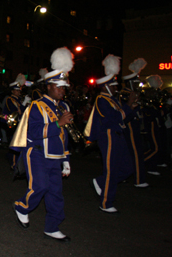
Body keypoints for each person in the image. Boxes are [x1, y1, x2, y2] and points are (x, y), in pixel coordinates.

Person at [11, 47, 74, 242]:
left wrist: (66, 160)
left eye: (64, 87)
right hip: (37, 153)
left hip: (55, 156)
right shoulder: (37, 106)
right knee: (39, 187)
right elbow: (34, 133)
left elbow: (65, 136)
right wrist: (58, 123)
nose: (62, 90)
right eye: (58, 86)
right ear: (48, 86)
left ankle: (52, 226)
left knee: (56, 194)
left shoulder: (64, 107)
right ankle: (22, 206)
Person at [84, 54, 135, 213]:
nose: (116, 88)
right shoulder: (101, 99)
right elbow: (110, 119)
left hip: (119, 136)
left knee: (128, 168)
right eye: (113, 86)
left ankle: (101, 182)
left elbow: (124, 119)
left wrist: (131, 106)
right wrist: (128, 105)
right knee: (111, 170)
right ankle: (106, 202)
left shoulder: (115, 100)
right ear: (106, 86)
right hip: (109, 137)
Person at [121, 58, 149, 187]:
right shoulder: (125, 94)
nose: (138, 85)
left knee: (129, 153)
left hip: (135, 124)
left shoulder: (134, 93)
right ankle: (138, 180)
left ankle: (123, 176)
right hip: (129, 125)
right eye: (135, 82)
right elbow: (126, 109)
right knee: (135, 152)